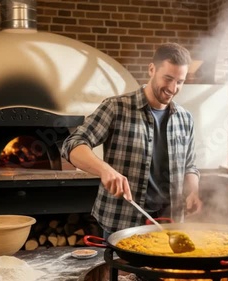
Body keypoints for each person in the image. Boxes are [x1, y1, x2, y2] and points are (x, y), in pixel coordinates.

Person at [61, 42, 203, 237]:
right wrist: (105, 170)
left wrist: (193, 192)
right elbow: (73, 144)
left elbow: (189, 166)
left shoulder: (185, 118)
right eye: (168, 78)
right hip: (122, 220)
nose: (173, 88)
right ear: (152, 69)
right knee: (122, 269)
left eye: (180, 81)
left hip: (170, 223)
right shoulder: (116, 107)